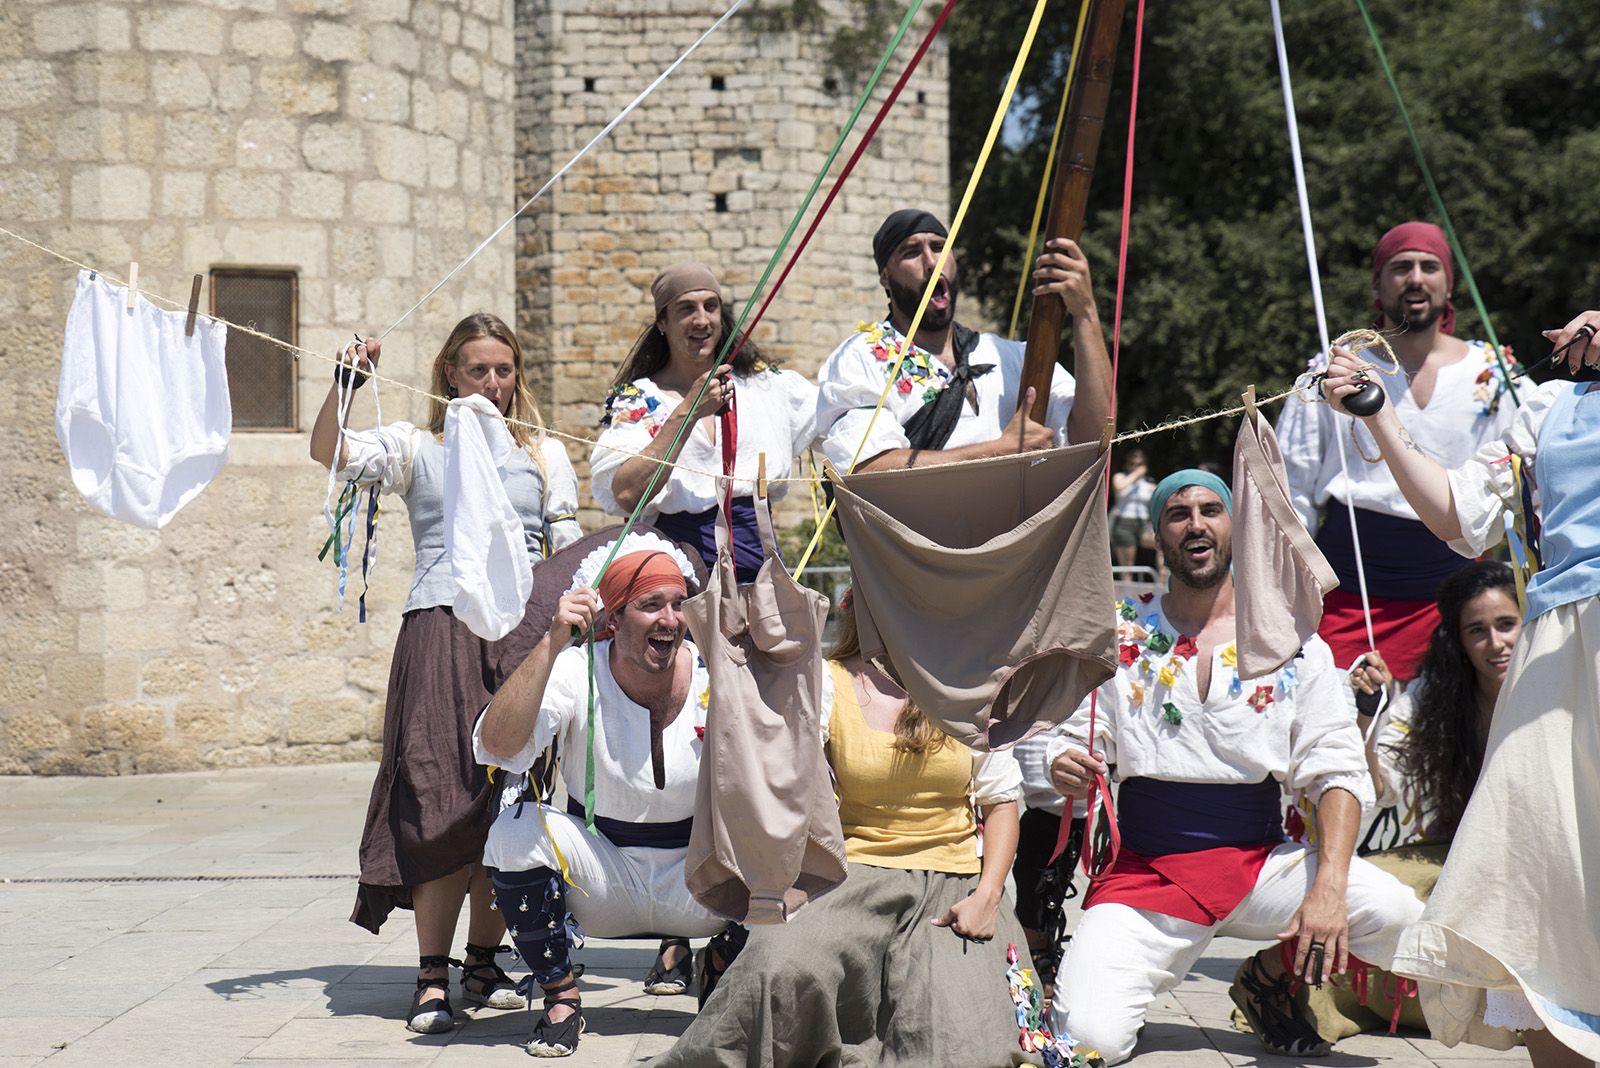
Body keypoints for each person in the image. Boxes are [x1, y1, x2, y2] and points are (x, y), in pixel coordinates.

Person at [1044, 469, 1425, 1065]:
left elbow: (1337, 769)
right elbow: (1067, 734)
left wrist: (1328, 888)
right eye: (1178, 513)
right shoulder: (1118, 628)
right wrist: (1063, 761)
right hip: (1148, 870)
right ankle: (1133, 977)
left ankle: (1267, 974)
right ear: (1159, 538)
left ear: (1235, 527)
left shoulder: (1293, 638)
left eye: (1209, 510)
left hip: (1258, 866)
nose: (1195, 522)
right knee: (1087, 1041)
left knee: (1400, 915)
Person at [1320, 312, 1600, 1065]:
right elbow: (1459, 513)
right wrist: (1379, 417)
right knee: (1539, 885)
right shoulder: (1551, 407)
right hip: (1566, 664)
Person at [309, 313, 582, 1032]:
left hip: (523, 635)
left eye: (503, 370)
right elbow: (331, 453)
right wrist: (346, 381)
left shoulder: (545, 455)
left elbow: (566, 549)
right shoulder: (418, 447)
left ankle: (484, 961)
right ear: (449, 376)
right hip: (441, 625)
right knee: (435, 794)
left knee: (507, 797)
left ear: (516, 376)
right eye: (477, 370)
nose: (491, 383)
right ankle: (433, 973)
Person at [655, 590, 1030, 1067]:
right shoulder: (829, 681)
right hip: (852, 874)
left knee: (963, 1044)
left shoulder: (973, 682)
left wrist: (988, 897)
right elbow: (781, 771)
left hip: (954, 881)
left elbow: (1001, 804)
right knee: (778, 965)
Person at [1229, 563, 1534, 1048]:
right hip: (1453, 863)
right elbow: (1378, 784)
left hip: (1539, 870)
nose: (1496, 643)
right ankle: (1271, 973)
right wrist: (1367, 713)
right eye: (1477, 630)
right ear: (1457, 640)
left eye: (1506, 625)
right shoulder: (1429, 699)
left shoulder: (1566, 686)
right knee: (1387, 901)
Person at [474, 534, 734, 1058]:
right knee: (513, 831)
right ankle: (562, 998)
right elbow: (497, 746)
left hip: (702, 885)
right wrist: (551, 642)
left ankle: (724, 966)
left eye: (679, 603)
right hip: (603, 881)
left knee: (783, 835)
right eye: (650, 605)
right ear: (611, 619)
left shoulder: (716, 670)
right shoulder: (576, 668)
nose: (670, 619)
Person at [1275, 222, 1517, 679]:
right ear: (1378, 284)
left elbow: (1522, 478)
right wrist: (1291, 594)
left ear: (1448, 283)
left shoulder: (1493, 373)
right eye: (1400, 267)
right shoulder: (1337, 371)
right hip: (1350, 595)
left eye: (1429, 266)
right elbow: (1292, 491)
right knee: (1345, 735)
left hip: (1460, 598)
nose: (1415, 278)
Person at [814, 209, 1113, 473]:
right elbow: (866, 469)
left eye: (940, 248)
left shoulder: (1015, 356)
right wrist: (999, 450)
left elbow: (1094, 436)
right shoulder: (859, 358)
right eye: (911, 252)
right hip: (921, 537)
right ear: (885, 277)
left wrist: (1085, 313)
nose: (932, 262)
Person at [590, 262, 817, 583]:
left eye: (710, 307)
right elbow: (627, 493)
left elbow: (835, 418)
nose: (701, 320)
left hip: (759, 568)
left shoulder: (767, 385)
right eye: (686, 309)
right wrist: (688, 411)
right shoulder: (639, 398)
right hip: (680, 572)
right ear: (662, 323)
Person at [1109, 447, 1157, 568]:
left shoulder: (1149, 483)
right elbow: (1119, 487)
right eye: (1132, 464)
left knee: (1163, 544)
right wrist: (1136, 474)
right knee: (1128, 564)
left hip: (1144, 523)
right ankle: (1127, 584)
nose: (1135, 466)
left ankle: (1162, 579)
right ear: (1127, 465)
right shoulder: (1120, 477)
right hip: (1124, 521)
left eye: (1139, 464)